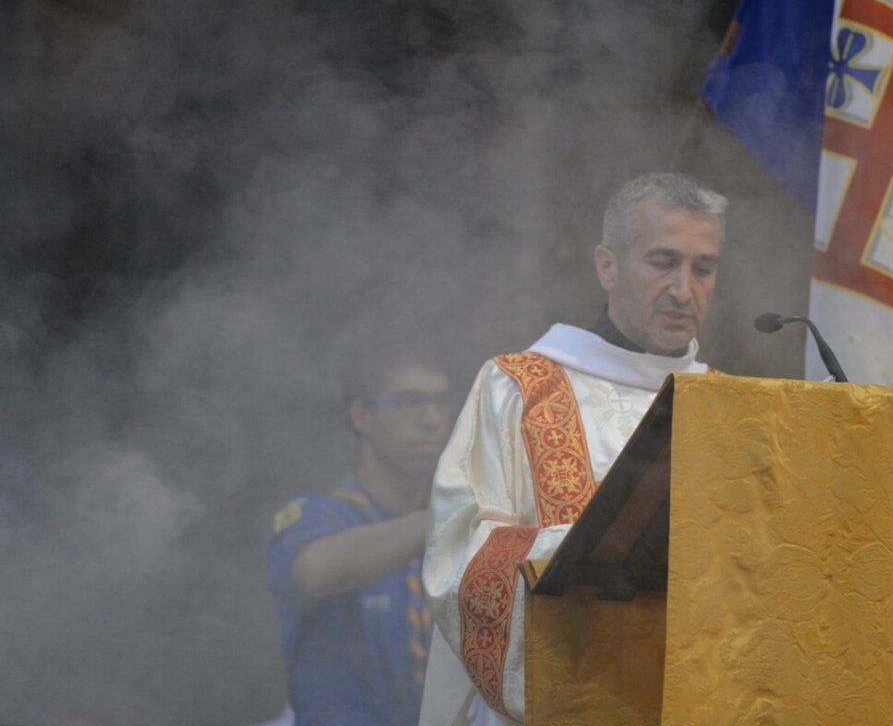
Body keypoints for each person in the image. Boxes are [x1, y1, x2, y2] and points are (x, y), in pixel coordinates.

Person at [419, 171, 728, 725]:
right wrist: (592, 551)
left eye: (703, 269)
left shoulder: (734, 407)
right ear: (607, 266)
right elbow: (458, 555)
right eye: (663, 263)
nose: (685, 290)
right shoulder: (518, 388)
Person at [268, 351, 454, 726]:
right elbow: (315, 571)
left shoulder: (461, 524)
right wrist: (452, 515)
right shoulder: (316, 515)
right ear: (362, 416)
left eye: (441, 402)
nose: (432, 420)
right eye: (409, 402)